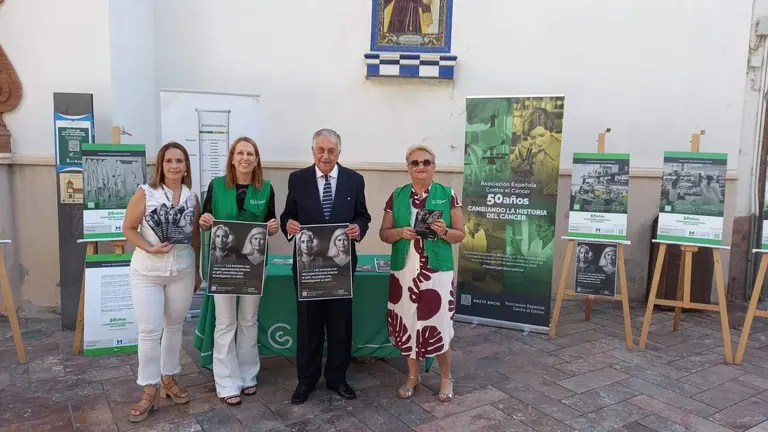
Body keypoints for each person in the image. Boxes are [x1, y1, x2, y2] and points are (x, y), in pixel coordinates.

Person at [280, 128, 371, 404]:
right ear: (313, 151)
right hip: (309, 268)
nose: (325, 155)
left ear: (339, 152)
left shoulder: (355, 180)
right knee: (309, 326)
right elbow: (288, 215)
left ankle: (337, 379)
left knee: (340, 325)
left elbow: (362, 216)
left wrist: (359, 228)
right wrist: (288, 225)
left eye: (331, 150)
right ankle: (306, 381)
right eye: (320, 149)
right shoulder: (298, 179)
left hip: (340, 268)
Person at [121, 142, 201, 423]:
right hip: (147, 272)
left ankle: (168, 379)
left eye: (180, 161)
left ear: (186, 166)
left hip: (182, 270)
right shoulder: (146, 193)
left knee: (175, 327)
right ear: (161, 165)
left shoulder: (192, 197)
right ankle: (148, 388)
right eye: (169, 161)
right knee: (149, 330)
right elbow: (127, 227)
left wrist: (198, 270)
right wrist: (148, 247)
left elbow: (195, 237)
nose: (175, 166)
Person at [196, 136, 279, 406]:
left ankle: (248, 374)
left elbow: (270, 222)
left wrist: (274, 227)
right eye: (240, 153)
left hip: (253, 266)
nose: (245, 158)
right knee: (225, 322)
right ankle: (226, 380)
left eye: (251, 154)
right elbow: (206, 220)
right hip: (224, 266)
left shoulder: (266, 188)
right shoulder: (217, 186)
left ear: (257, 160)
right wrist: (204, 220)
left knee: (249, 319)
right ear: (232, 158)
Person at [379, 144, 465, 402]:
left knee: (437, 324)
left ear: (433, 166)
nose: (420, 167)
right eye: (414, 162)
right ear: (408, 167)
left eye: (426, 162)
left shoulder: (447, 194)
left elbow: (460, 234)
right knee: (409, 322)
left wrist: (443, 232)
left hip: (435, 272)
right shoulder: (396, 195)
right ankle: (413, 376)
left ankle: (445, 377)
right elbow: (384, 234)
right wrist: (399, 233)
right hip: (405, 271)